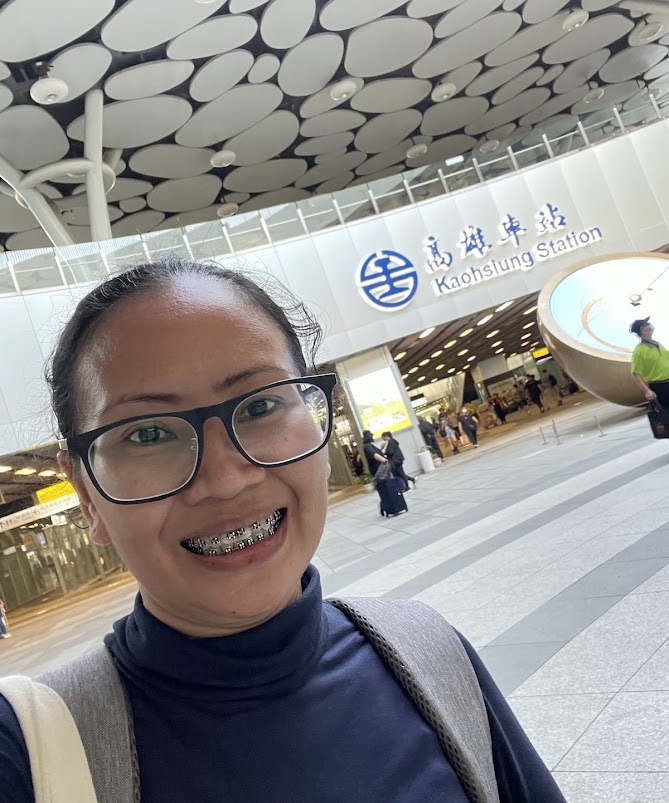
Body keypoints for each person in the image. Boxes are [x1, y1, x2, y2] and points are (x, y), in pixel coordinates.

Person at [0, 256, 565, 802]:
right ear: (87, 496)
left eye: (260, 406)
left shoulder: (430, 656)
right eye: (148, 435)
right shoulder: (27, 752)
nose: (224, 480)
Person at [630, 317, 669, 409]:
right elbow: (635, 374)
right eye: (644, 326)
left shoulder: (658, 344)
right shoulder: (639, 351)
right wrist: (647, 391)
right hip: (659, 386)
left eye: (648, 324)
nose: (648, 327)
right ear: (640, 332)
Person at [363, 429, 397, 517]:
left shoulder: (369, 445)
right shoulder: (367, 446)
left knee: (385, 487)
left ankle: (385, 505)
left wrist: (381, 449)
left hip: (380, 469)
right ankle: (386, 505)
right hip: (378, 470)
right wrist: (384, 460)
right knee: (384, 487)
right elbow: (374, 455)